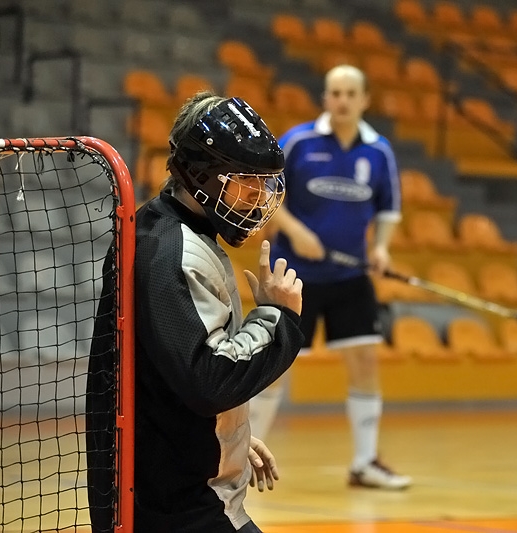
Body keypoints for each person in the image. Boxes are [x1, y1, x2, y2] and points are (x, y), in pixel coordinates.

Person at [85, 92, 305, 532]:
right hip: (177, 508)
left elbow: (168, 373)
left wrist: (231, 438)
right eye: (247, 181)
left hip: (177, 490)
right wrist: (278, 318)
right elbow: (210, 380)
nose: (259, 195)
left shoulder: (168, 231)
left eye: (264, 183)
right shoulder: (174, 252)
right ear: (203, 177)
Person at [248, 65, 411, 490]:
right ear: (325, 98)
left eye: (350, 93)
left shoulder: (379, 151)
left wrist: (381, 248)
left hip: (349, 275)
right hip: (293, 276)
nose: (342, 100)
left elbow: (388, 209)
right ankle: (242, 459)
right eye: (335, 92)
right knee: (273, 366)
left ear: (365, 99)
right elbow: (268, 194)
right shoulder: (298, 141)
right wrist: (297, 231)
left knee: (365, 362)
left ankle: (365, 463)